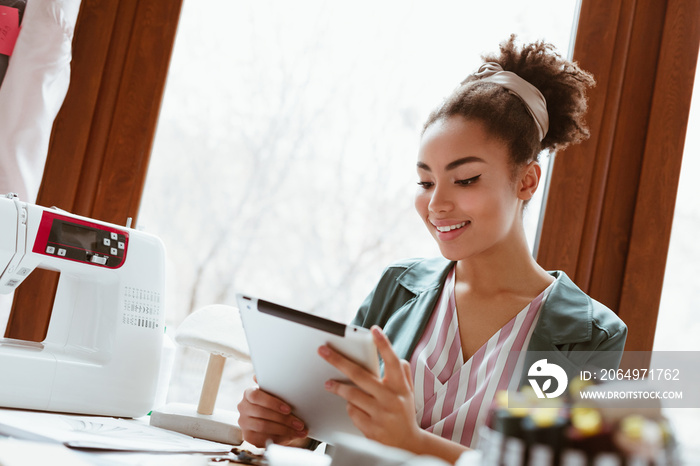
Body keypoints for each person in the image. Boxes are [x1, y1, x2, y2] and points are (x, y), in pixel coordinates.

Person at [236, 35, 627, 464]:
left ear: (527, 181)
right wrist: (288, 428)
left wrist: (413, 442)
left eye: (465, 180)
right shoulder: (398, 287)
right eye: (425, 182)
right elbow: (330, 427)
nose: (437, 203)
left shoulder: (590, 335)